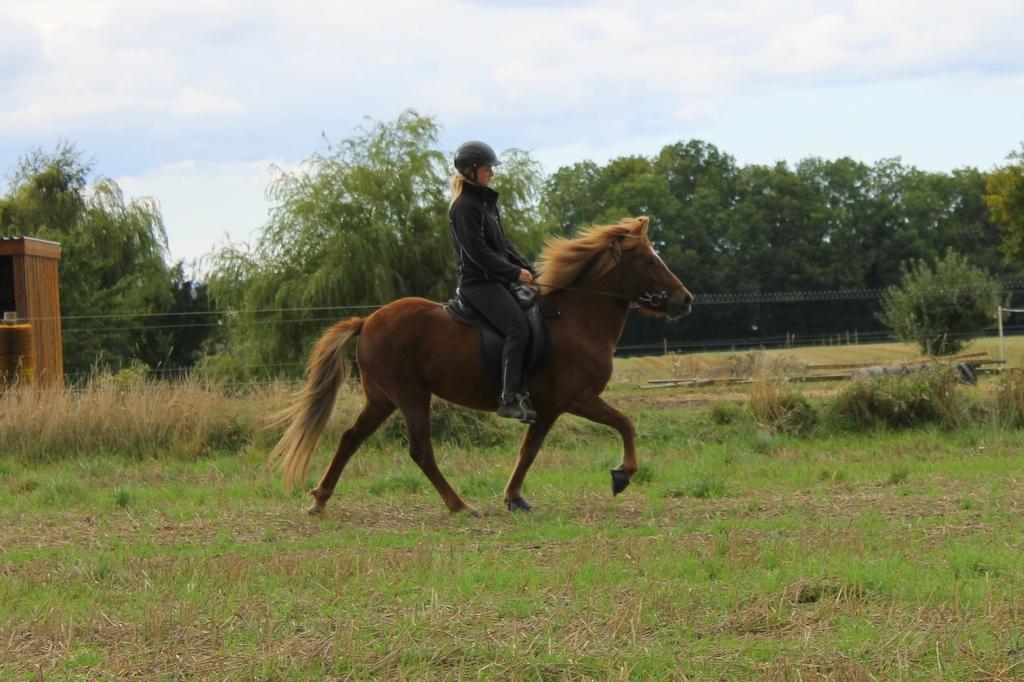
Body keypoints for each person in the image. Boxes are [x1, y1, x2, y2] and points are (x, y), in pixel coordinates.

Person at [449, 140, 538, 424]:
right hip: (478, 284)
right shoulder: (464, 207)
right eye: (488, 168)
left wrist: (527, 268)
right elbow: (477, 253)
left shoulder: (486, 203)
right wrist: (513, 274)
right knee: (518, 328)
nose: (492, 173)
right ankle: (508, 398)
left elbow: (503, 245)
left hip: (497, 280)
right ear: (471, 170)